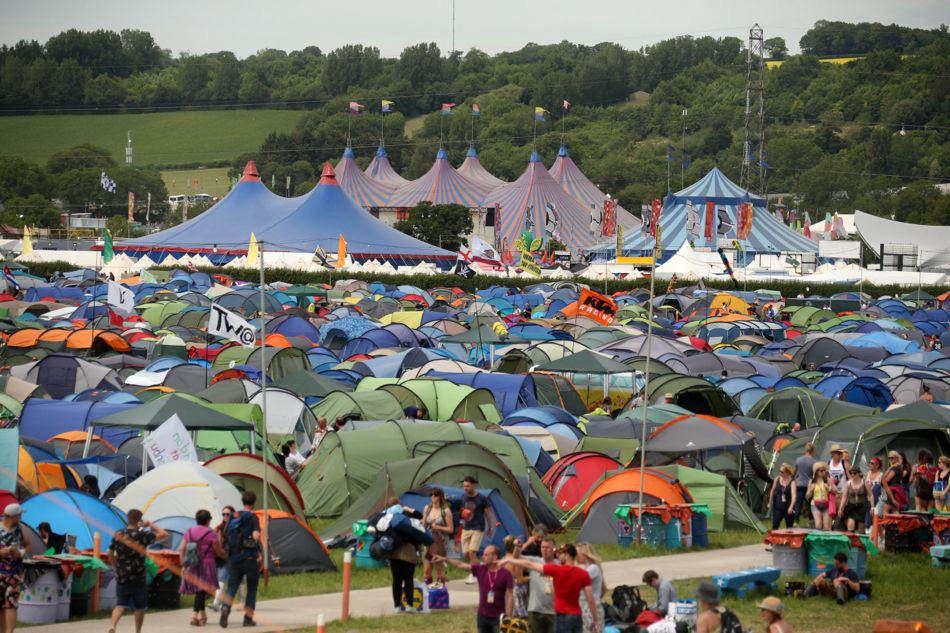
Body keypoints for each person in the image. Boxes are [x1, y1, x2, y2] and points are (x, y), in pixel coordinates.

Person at [504, 543, 598, 633]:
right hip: (577, 615)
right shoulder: (583, 574)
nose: (558, 555)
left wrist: (508, 560)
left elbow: (530, 565)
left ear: (568, 555)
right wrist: (595, 620)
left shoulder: (557, 570)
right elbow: (590, 600)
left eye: (561, 553)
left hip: (562, 615)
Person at [108, 509, 168, 633]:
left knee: (120, 605)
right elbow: (164, 534)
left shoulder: (119, 533)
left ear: (127, 519)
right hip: (138, 575)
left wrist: (115, 564)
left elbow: (110, 552)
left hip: (122, 573)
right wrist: (150, 524)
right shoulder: (143, 535)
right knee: (140, 607)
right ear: (139, 520)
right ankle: (137, 631)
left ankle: (113, 625)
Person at [434, 545, 512, 633]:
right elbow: (461, 565)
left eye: (486, 555)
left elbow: (509, 595)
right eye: (483, 554)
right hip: (482, 616)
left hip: (498, 617)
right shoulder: (480, 569)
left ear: (495, 557)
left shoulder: (506, 574)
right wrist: (445, 559)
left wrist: (509, 616)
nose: (483, 557)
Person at [220, 491, 261, 628]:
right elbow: (255, 536)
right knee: (252, 589)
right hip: (249, 558)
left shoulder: (234, 515)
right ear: (253, 503)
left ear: (243, 502)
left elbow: (226, 533)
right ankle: (248, 619)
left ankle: (225, 608)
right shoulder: (253, 517)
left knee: (231, 587)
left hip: (234, 558)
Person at [179, 509, 226, 627]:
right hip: (207, 565)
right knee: (202, 590)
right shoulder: (211, 534)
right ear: (208, 520)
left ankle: (203, 614)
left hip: (192, 564)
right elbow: (219, 552)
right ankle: (194, 616)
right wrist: (227, 556)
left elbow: (181, 549)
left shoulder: (189, 531)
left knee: (200, 590)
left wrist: (183, 564)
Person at [0, 504, 28, 633]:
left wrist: (20, 553)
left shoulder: (22, 529)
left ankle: (9, 632)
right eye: (19, 515)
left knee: (11, 603)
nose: (21, 517)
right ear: (12, 517)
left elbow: (28, 545)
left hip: (15, 572)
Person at [460, 476, 493, 584]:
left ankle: (473, 575)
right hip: (466, 527)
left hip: (478, 527)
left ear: (473, 485)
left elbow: (488, 512)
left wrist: (490, 527)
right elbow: (462, 510)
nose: (465, 488)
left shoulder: (481, 498)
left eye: (468, 486)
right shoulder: (463, 497)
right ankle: (481, 568)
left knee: (472, 552)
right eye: (464, 486)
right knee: (466, 554)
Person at [209, 506, 241, 612]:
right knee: (222, 579)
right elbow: (213, 535)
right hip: (223, 556)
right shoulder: (221, 526)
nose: (225, 516)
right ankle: (216, 603)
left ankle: (241, 603)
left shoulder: (236, 525)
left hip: (235, 555)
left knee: (241, 580)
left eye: (228, 514)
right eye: (223, 514)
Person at [421, 488, 454, 587]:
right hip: (428, 542)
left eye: (435, 495)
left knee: (439, 568)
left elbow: (451, 529)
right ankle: (427, 592)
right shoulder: (427, 508)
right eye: (431, 494)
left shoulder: (446, 511)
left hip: (441, 543)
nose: (432, 496)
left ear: (440, 497)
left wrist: (438, 527)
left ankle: (439, 593)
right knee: (426, 569)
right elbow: (423, 525)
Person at [524, 538, 557, 633]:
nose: (544, 550)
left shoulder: (559, 564)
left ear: (553, 549)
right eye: (542, 547)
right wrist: (521, 546)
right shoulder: (534, 561)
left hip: (553, 611)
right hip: (535, 610)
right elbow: (516, 557)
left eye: (547, 547)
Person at [575, 543, 605, 633]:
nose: (575, 556)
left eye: (577, 553)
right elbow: (604, 588)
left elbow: (576, 581)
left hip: (590, 610)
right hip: (587, 608)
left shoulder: (593, 568)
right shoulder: (589, 568)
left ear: (584, 553)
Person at [837, 468, 872, 532]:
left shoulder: (864, 482)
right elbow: (844, 497)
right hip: (851, 507)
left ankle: (860, 541)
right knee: (850, 526)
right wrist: (840, 509)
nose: (852, 475)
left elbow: (871, 495)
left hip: (862, 507)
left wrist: (872, 507)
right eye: (851, 473)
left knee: (861, 529)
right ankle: (850, 541)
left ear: (859, 473)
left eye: (854, 473)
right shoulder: (848, 483)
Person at [502, 536, 529, 619]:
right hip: (516, 594)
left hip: (505, 593)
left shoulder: (504, 559)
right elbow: (519, 580)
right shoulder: (516, 560)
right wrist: (533, 577)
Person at [768, 463, 797, 530]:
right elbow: (772, 490)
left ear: (787, 473)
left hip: (788, 507)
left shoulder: (792, 482)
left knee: (789, 527)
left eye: (782, 472)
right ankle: (774, 539)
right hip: (778, 506)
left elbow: (794, 495)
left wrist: (791, 506)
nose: (780, 473)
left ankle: (789, 539)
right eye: (779, 471)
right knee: (775, 524)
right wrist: (770, 501)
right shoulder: (777, 479)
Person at [794, 443, 816, 524]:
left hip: (799, 484)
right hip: (809, 486)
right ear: (813, 450)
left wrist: (793, 480)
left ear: (805, 449)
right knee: (811, 504)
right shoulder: (814, 462)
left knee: (798, 504)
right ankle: (811, 521)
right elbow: (814, 475)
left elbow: (794, 472)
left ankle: (795, 521)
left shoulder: (798, 460)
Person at [807, 462, 832, 531]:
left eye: (824, 470)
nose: (823, 472)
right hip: (815, 504)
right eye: (821, 470)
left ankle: (825, 540)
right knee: (818, 524)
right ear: (816, 472)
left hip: (826, 504)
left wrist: (829, 488)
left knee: (826, 527)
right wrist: (810, 490)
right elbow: (807, 496)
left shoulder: (827, 479)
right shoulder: (811, 481)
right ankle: (818, 539)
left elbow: (835, 490)